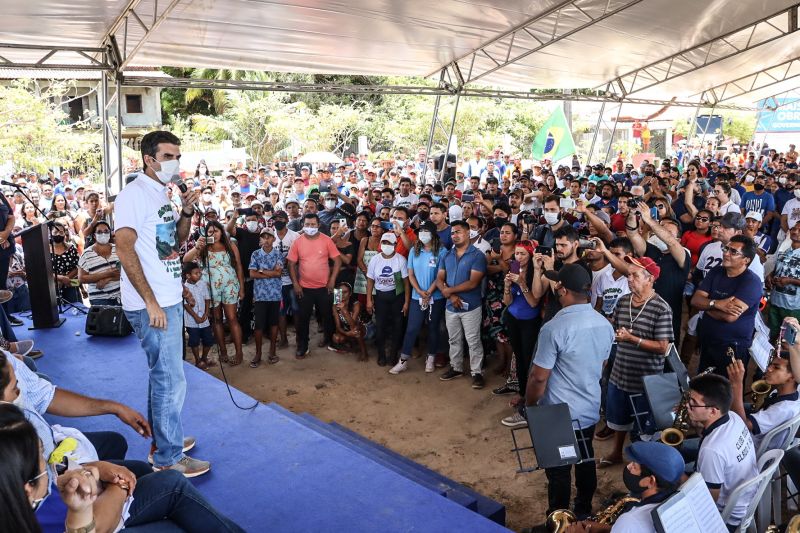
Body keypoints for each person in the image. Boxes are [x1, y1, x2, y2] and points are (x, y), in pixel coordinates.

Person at [114, 130, 210, 477]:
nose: (176, 163)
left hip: (167, 298)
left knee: (163, 376)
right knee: (171, 379)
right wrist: (151, 301)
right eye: (168, 156)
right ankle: (168, 457)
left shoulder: (162, 194)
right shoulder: (134, 195)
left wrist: (185, 211)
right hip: (151, 305)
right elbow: (123, 248)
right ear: (149, 159)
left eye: (178, 156)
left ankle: (163, 441)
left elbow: (175, 242)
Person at [0, 404, 244, 533]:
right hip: (105, 521)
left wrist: (77, 502)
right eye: (43, 461)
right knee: (173, 489)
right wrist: (120, 486)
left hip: (93, 515)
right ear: (27, 490)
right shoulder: (37, 514)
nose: (50, 466)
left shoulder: (15, 503)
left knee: (147, 473)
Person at [525, 264, 615, 524]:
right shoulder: (604, 324)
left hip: (558, 413)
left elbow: (539, 376)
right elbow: (601, 366)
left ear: (562, 289)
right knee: (585, 458)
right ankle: (584, 508)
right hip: (588, 407)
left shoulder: (554, 328)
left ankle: (559, 521)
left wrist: (531, 405)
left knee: (559, 469)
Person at [602, 256, 673, 466]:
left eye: (635, 275)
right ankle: (616, 453)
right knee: (619, 421)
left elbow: (663, 347)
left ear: (650, 279)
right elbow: (615, 328)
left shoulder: (661, 308)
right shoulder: (623, 301)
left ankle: (642, 465)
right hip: (620, 373)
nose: (629, 279)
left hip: (645, 381)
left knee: (644, 428)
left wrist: (632, 339)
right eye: (629, 274)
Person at [683, 373, 757, 530]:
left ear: (713, 411)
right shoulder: (733, 417)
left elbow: (708, 500)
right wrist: (698, 425)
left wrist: (676, 475)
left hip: (725, 516)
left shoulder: (712, 450)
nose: (687, 406)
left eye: (693, 403)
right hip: (745, 498)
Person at [565, 441, 685, 533]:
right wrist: (609, 528)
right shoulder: (681, 501)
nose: (628, 466)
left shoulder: (631, 520)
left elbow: (632, 526)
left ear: (651, 481)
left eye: (634, 466)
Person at [691, 235, 762, 375]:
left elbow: (729, 317)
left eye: (733, 252)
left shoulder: (751, 282)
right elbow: (695, 301)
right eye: (726, 248)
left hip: (732, 347)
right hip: (709, 340)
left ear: (746, 260)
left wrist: (706, 306)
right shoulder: (716, 271)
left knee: (727, 390)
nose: (726, 253)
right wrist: (716, 303)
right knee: (705, 384)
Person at [183, 220, 246, 366]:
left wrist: (242, 288)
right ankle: (223, 351)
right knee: (216, 319)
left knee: (232, 318)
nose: (214, 234)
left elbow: (239, 267)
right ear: (206, 233)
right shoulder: (203, 247)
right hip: (210, 289)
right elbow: (186, 260)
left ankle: (239, 352)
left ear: (222, 231)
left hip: (230, 286)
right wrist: (198, 246)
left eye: (216, 231)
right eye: (210, 232)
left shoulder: (231, 245)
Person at [437, 220, 488, 389]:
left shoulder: (477, 255)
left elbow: (473, 283)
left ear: (467, 233)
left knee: (473, 340)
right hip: (451, 306)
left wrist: (449, 291)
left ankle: (477, 372)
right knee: (454, 339)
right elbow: (439, 279)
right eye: (452, 233)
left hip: (471, 305)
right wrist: (451, 297)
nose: (455, 235)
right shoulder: (447, 255)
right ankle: (456, 367)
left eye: (458, 232)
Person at [499, 240, 544, 428]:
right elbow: (507, 302)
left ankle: (529, 399)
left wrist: (522, 282)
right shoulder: (513, 268)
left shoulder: (536, 273)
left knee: (528, 358)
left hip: (529, 322)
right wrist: (507, 286)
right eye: (516, 254)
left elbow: (534, 302)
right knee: (518, 354)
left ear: (531, 255)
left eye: (522, 254)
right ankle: (523, 393)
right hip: (513, 318)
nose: (518, 257)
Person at [394, 221, 446, 374]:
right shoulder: (414, 251)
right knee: (412, 328)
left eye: (426, 231)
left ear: (433, 234)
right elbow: (410, 274)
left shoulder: (442, 251)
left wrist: (428, 292)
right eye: (420, 231)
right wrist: (419, 291)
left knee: (433, 328)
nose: (422, 234)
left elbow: (440, 276)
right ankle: (403, 360)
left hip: (435, 297)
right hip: (417, 297)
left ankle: (430, 358)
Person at [287, 213, 342, 358]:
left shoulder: (326, 240)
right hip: (304, 288)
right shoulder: (297, 242)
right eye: (307, 225)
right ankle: (303, 346)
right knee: (302, 319)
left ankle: (330, 341)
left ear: (318, 225)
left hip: (324, 288)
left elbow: (337, 261)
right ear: (302, 225)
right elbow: (291, 264)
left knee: (328, 316)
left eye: (313, 224)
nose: (310, 227)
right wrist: (296, 284)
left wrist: (332, 280)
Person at [728, 357, 800, 452]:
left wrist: (736, 384)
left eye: (776, 367)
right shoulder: (792, 393)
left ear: (792, 377)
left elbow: (742, 426)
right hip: (762, 422)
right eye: (770, 365)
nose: (769, 369)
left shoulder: (782, 410)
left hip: (750, 446)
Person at [366, 232, 409, 368]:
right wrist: (368, 300)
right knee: (380, 326)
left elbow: (406, 283)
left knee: (397, 326)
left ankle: (393, 354)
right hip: (380, 297)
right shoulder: (375, 260)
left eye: (390, 243)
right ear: (380, 244)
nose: (386, 245)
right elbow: (370, 280)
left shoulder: (400, 260)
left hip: (397, 297)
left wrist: (406, 302)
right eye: (384, 242)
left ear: (395, 245)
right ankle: (381, 354)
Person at [248, 228, 284, 367]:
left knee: (274, 324)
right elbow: (252, 274)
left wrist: (261, 270)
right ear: (260, 239)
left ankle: (272, 351)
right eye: (264, 237)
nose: (267, 239)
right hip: (260, 295)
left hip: (275, 295)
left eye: (269, 237)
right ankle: (258, 354)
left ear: (274, 239)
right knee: (259, 325)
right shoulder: (255, 254)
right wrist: (271, 272)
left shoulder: (278, 254)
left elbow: (278, 273)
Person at [766, 220, 800, 340]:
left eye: (799, 230)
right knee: (773, 337)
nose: (795, 232)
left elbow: (789, 278)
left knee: (789, 342)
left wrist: (790, 281)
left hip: (794, 307)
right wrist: (769, 276)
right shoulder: (784, 250)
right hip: (775, 302)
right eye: (794, 229)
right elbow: (777, 270)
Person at [77, 221, 121, 306]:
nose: (103, 234)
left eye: (106, 231)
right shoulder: (87, 254)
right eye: (99, 232)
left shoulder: (118, 249)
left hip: (121, 296)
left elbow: (125, 273)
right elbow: (81, 278)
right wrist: (107, 274)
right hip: (99, 299)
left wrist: (107, 279)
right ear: (94, 235)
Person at [182, 261, 215, 370]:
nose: (199, 275)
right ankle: (197, 360)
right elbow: (186, 305)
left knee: (209, 340)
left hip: (204, 319)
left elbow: (207, 299)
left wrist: (206, 313)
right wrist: (196, 317)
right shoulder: (184, 288)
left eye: (199, 272)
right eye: (196, 273)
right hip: (192, 321)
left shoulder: (202, 284)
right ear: (188, 275)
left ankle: (204, 358)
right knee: (194, 341)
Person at [331, 281, 369, 360]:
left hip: (364, 330)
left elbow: (353, 323)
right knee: (336, 338)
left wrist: (344, 311)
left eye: (345, 292)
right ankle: (352, 343)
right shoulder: (335, 305)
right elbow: (337, 326)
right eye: (340, 292)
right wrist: (346, 333)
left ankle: (364, 352)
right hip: (349, 329)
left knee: (355, 331)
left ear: (350, 293)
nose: (342, 295)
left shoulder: (356, 304)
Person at [50, 222, 81, 303]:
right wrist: (60, 278)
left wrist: (65, 279)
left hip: (72, 283)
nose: (58, 234)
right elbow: (43, 270)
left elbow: (78, 267)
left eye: (61, 232)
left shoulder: (71, 247)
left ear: (64, 233)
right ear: (50, 233)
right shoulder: (45, 249)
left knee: (76, 310)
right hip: (53, 286)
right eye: (55, 232)